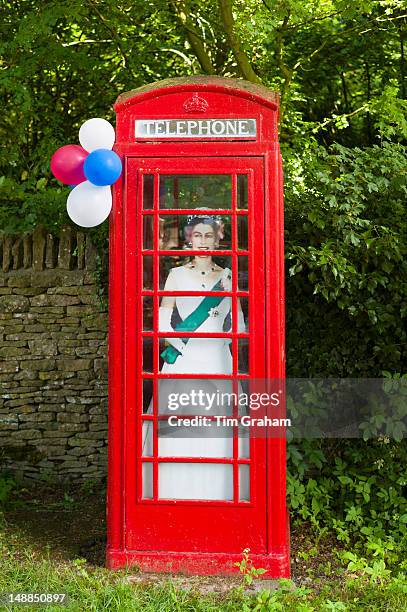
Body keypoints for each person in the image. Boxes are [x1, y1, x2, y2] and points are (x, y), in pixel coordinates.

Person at [143, 213, 248, 500]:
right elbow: (163, 320)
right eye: (198, 235)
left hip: (218, 362)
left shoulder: (228, 277)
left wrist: (232, 295)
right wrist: (181, 345)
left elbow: (239, 326)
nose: (203, 241)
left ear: (218, 239)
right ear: (190, 239)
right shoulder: (176, 275)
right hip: (184, 359)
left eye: (209, 236)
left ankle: (222, 494)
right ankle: (171, 492)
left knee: (219, 429)